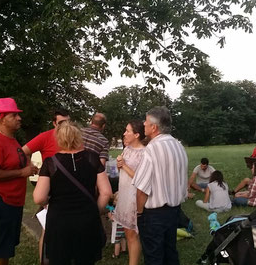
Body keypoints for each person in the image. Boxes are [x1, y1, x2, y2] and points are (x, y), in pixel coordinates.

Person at [33, 121, 112, 265]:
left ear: (59, 139)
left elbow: (39, 197)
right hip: (87, 220)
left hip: (59, 222)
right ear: (78, 137)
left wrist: (47, 203)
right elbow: (106, 192)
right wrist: (96, 210)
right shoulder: (93, 158)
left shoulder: (51, 163)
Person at [0, 98, 39, 265]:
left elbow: (17, 161)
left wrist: (29, 166)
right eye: (14, 115)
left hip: (13, 202)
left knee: (5, 249)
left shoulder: (12, 140)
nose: (19, 118)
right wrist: (22, 172)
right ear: (1, 118)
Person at [132, 106, 188, 265]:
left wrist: (139, 213)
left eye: (146, 121)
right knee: (170, 252)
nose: (143, 124)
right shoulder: (178, 146)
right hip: (174, 210)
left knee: (153, 256)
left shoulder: (151, 149)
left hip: (154, 214)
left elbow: (141, 188)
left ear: (154, 127)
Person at [21, 109, 70, 263]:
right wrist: (29, 168)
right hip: (50, 189)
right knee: (48, 229)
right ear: (54, 123)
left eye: (68, 121)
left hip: (70, 189)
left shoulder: (73, 136)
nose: (65, 125)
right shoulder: (46, 136)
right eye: (61, 122)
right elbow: (23, 151)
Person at [114, 120, 145, 265]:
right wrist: (119, 164)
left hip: (134, 198)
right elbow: (124, 171)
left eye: (128, 131)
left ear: (137, 135)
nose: (124, 133)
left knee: (132, 234)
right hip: (124, 196)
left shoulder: (144, 153)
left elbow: (141, 178)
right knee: (127, 232)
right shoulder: (127, 149)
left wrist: (124, 165)